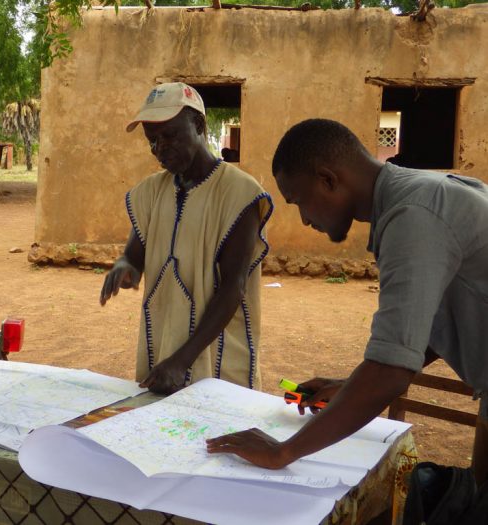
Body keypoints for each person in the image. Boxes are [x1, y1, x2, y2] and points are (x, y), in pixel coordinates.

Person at [206, 118, 488, 484]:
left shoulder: (413, 218)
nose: (305, 220)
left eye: (299, 202)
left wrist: (283, 451)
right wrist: (350, 382)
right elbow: (425, 330)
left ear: (328, 179)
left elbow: (390, 372)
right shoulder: (420, 195)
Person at [100, 82, 273, 394]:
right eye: (152, 141)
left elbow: (233, 286)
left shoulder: (240, 195)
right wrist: (125, 267)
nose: (160, 148)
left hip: (217, 358)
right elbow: (134, 256)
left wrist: (182, 361)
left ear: (199, 125)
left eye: (170, 136)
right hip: (163, 348)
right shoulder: (151, 192)